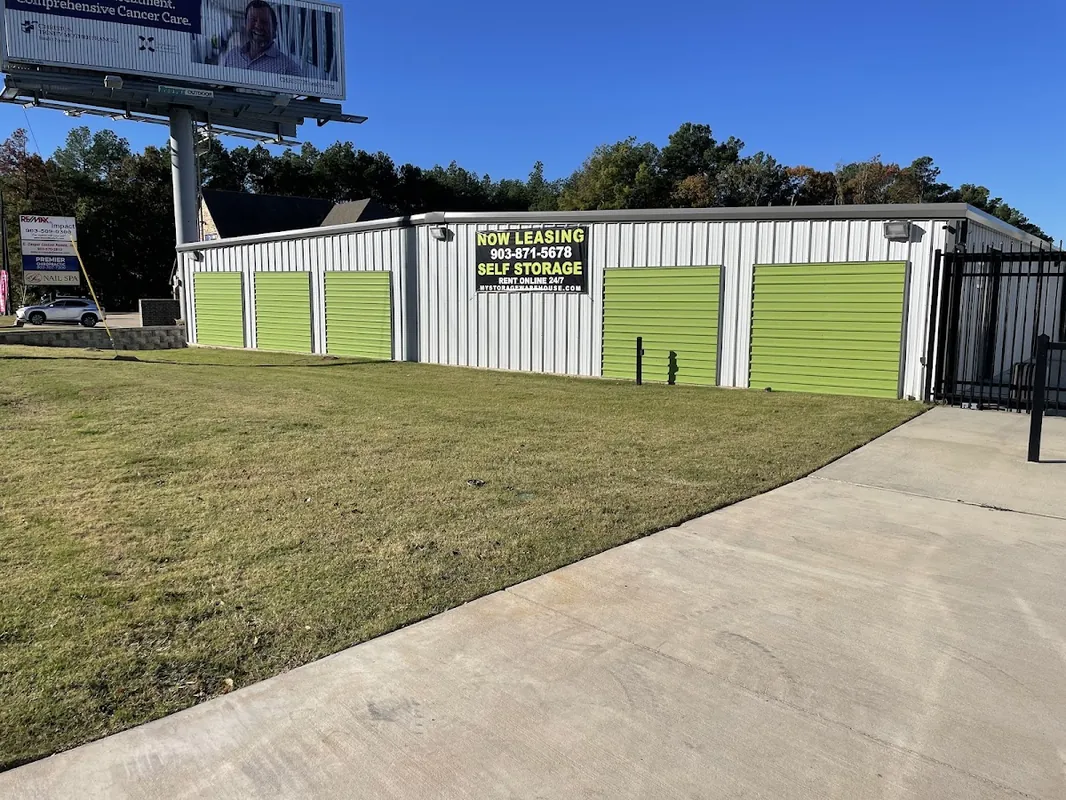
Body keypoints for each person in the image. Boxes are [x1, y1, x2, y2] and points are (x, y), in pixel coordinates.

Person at [222, 0, 303, 76]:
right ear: (245, 25)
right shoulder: (232, 55)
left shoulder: (289, 69)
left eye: (264, 22)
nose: (258, 26)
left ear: (274, 29)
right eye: (253, 20)